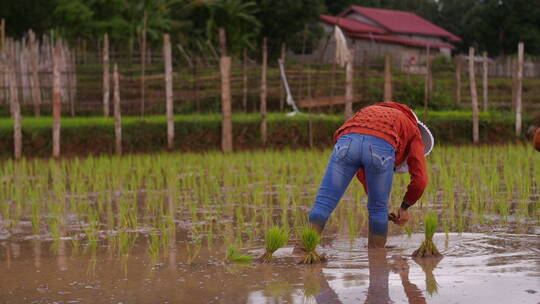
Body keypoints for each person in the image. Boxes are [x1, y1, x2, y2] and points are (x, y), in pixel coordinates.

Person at [305, 101, 434, 248]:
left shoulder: (368, 110)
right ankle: (378, 259)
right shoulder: (413, 129)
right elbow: (421, 180)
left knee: (323, 203)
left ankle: (303, 251)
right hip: (381, 145)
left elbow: (363, 172)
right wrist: (404, 207)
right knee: (377, 211)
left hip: (346, 142)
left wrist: (377, 200)